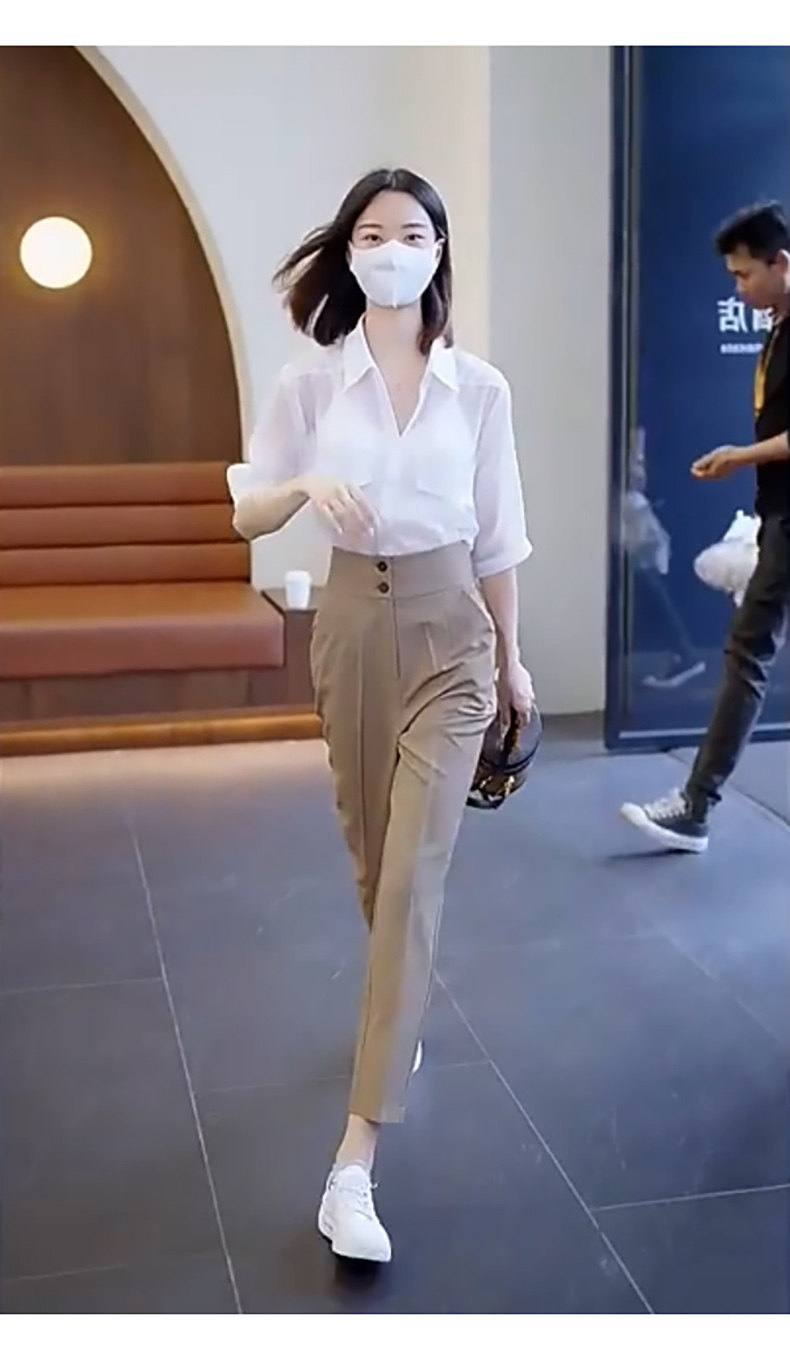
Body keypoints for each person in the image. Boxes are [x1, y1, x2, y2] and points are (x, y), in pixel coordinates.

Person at [227, 168, 533, 1262]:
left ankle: (353, 1162)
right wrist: (306, 487)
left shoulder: (479, 389)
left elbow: (498, 535)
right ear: (347, 251)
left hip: (453, 631)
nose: (391, 248)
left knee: (413, 875)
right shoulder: (311, 384)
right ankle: (393, 1026)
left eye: (412, 232)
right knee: (373, 863)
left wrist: (514, 662)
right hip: (352, 625)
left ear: (438, 250)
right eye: (371, 232)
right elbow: (247, 506)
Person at [622, 202, 790, 852]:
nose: (738, 288)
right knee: (750, 648)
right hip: (778, 512)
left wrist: (740, 456)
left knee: (748, 650)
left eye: (745, 274)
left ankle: (695, 805)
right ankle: (695, 805)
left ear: (781, 263)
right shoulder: (777, 327)